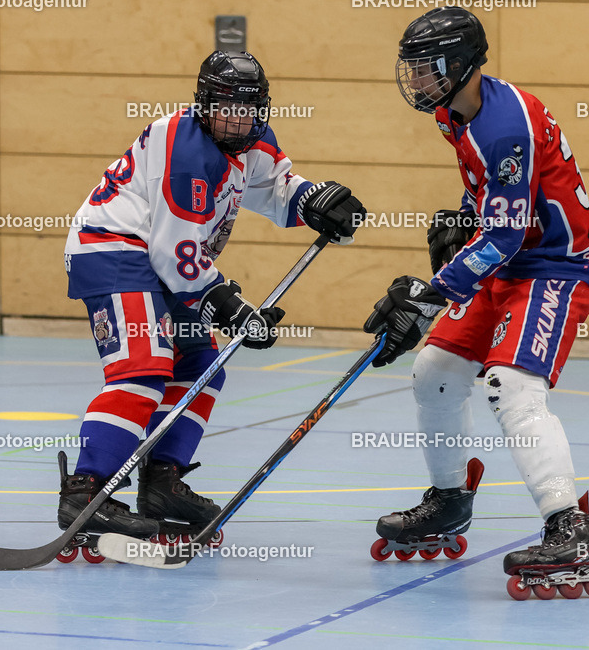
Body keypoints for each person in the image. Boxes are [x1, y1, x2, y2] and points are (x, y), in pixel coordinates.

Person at [58, 50, 366, 553]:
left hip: (159, 263)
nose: (237, 118)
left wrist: (315, 201)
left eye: (248, 108)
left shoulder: (251, 141)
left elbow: (276, 189)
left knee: (203, 363)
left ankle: (161, 482)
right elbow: (174, 254)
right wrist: (233, 308)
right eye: (225, 107)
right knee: (142, 368)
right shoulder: (186, 150)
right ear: (204, 104)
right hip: (114, 251)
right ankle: (86, 491)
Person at [363, 7, 589, 599]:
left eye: (427, 69)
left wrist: (431, 293)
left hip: (555, 266)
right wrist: (464, 228)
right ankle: (450, 501)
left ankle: (568, 526)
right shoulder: (456, 112)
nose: (417, 81)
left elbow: (505, 234)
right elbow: (498, 215)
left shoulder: (503, 126)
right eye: (414, 69)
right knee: (435, 372)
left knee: (512, 385)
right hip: (509, 260)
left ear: (464, 64)